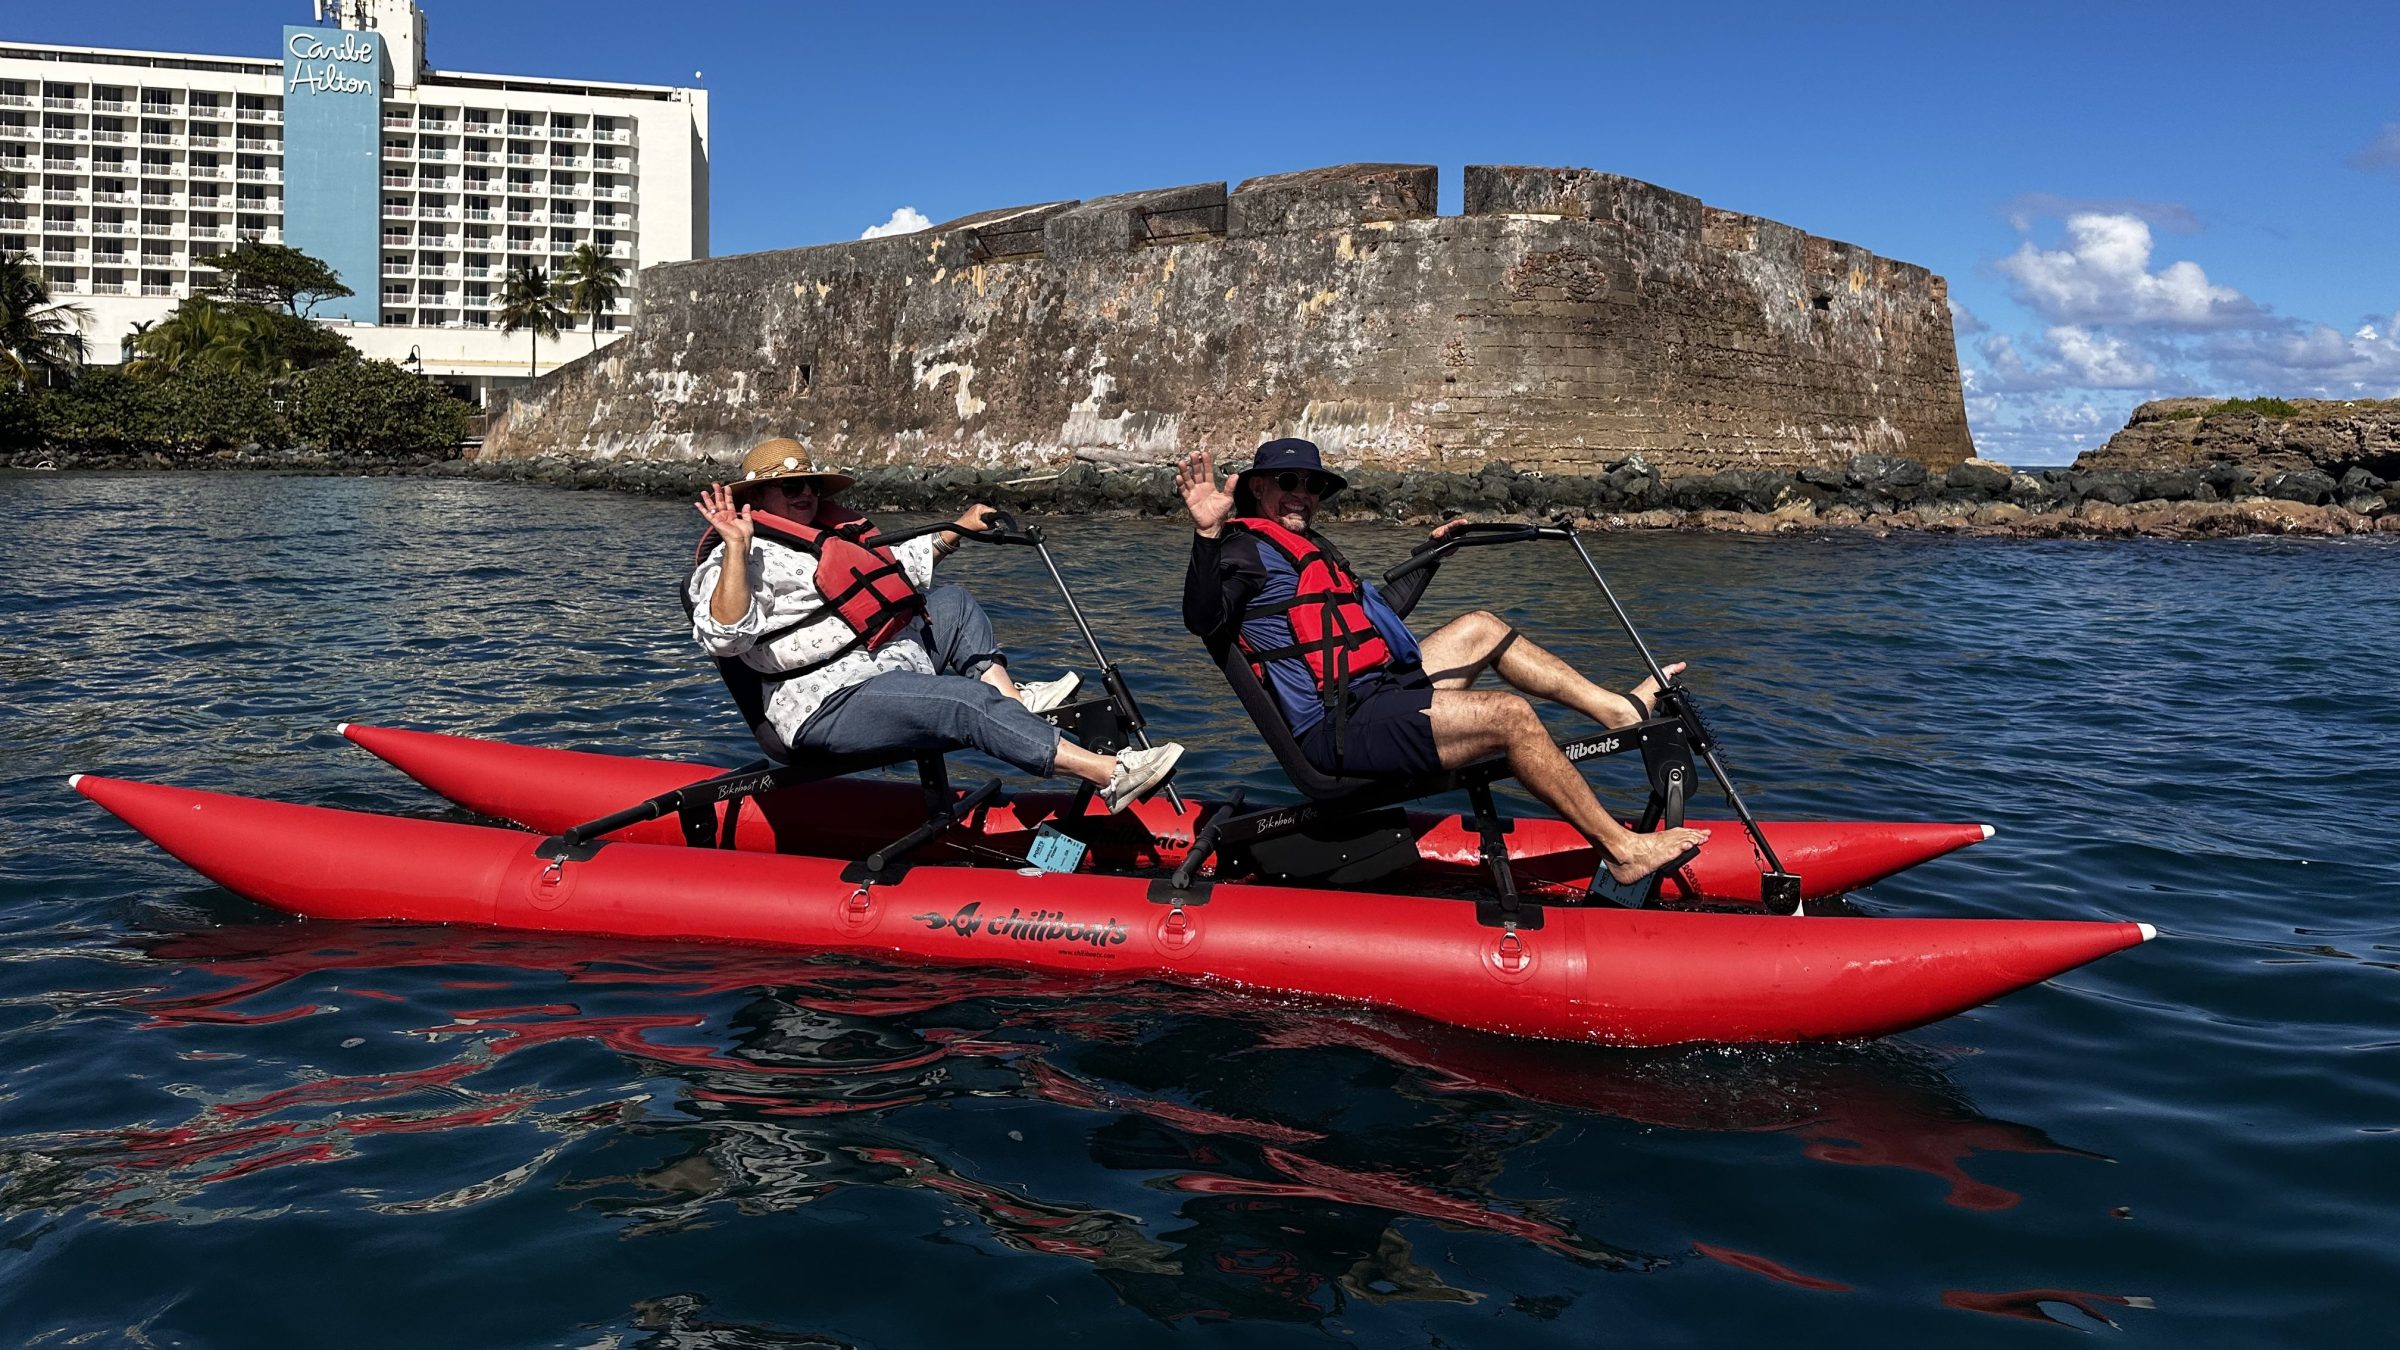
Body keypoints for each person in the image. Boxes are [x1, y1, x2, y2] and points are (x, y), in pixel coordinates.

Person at [1177, 437, 1708, 886]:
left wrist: (1434, 558)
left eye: (1312, 485)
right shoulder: (1240, 552)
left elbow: (1376, 616)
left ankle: (1616, 712)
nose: (1302, 494)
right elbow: (1203, 619)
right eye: (1288, 481)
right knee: (1509, 717)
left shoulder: (1309, 548)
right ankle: (1622, 852)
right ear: (1258, 488)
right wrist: (1205, 534)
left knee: (1482, 627)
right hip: (1336, 729)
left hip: (1377, 692)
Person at [690, 437, 1182, 813]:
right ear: (755, 496)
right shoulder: (733, 558)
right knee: (960, 702)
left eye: (812, 485)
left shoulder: (825, 535)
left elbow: (894, 568)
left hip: (883, 663)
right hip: (822, 703)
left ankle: (1012, 703)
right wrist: (734, 545)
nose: (806, 496)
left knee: (951, 602)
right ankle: (1110, 776)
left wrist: (959, 528)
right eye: (791, 486)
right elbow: (724, 638)